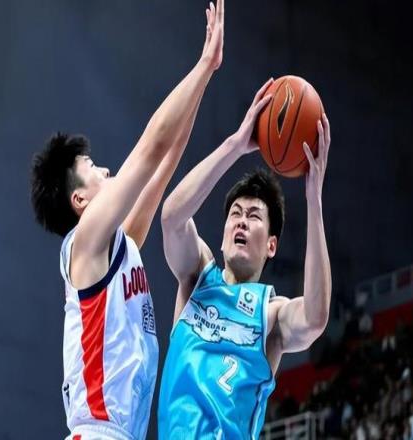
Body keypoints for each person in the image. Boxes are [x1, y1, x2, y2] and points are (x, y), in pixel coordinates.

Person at [29, 1, 225, 438]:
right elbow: (151, 146)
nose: (105, 169)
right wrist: (202, 64)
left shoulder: (120, 247)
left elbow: (167, 157)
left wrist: (207, 78)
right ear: (79, 199)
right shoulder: (85, 243)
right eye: (92, 168)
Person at [158, 80, 332, 439]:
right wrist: (236, 145)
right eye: (235, 214)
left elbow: (315, 317)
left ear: (271, 245)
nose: (241, 221)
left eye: (253, 217)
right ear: (223, 236)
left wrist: (313, 199)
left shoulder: (271, 314)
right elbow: (172, 218)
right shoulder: (197, 278)